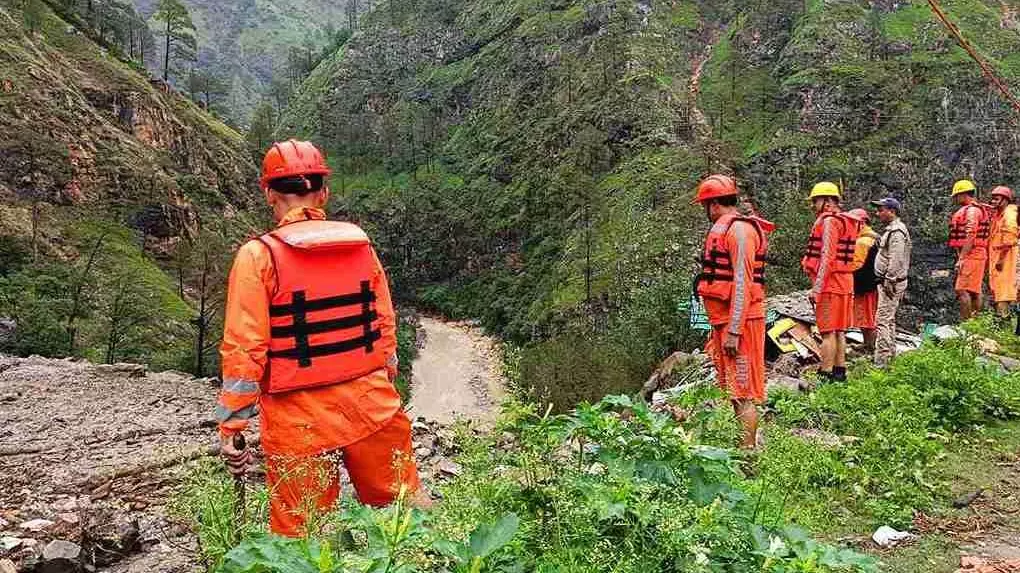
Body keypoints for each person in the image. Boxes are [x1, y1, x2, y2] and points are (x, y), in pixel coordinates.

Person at [216, 140, 422, 537]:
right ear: (323, 192)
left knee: (304, 535)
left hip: (298, 421)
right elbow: (384, 324)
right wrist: (384, 381)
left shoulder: (258, 257)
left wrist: (232, 424)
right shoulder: (361, 247)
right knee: (407, 515)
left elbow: (245, 348)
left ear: (269, 193)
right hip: (372, 405)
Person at [694, 175, 773, 449]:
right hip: (725, 321)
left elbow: (742, 283)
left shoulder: (739, 231)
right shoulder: (730, 229)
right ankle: (741, 450)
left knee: (744, 392)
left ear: (714, 204)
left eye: (705, 206)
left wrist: (735, 330)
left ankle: (748, 456)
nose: (705, 211)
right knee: (734, 392)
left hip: (741, 324)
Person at [802, 182, 859, 382]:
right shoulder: (845, 221)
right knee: (839, 331)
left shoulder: (828, 222)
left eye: (815, 200)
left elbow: (827, 257)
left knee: (827, 332)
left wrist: (816, 289)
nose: (813, 205)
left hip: (830, 284)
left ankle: (825, 374)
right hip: (845, 282)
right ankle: (839, 372)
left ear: (827, 201)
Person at [870, 198, 911, 366]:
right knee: (889, 320)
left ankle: (882, 362)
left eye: (881, 210)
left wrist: (890, 278)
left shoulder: (897, 232)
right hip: (888, 281)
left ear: (892, 211)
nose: (878, 213)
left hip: (891, 283)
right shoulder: (892, 231)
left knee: (882, 321)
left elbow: (897, 258)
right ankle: (891, 357)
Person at [948, 179, 990, 320]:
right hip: (975, 253)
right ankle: (974, 323)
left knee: (962, 289)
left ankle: (967, 324)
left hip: (973, 253)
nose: (955, 199)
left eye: (956, 196)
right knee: (973, 290)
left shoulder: (972, 211)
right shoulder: (972, 209)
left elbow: (971, 234)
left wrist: (962, 258)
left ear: (963, 194)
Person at [847, 208, 879, 352]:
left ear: (862, 222)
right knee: (866, 315)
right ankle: (868, 344)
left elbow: (856, 266)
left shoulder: (862, 242)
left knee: (867, 316)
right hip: (872, 284)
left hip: (865, 286)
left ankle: (870, 347)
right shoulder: (874, 237)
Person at [988, 186, 1018, 319]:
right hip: (999, 255)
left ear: (1005, 200)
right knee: (1001, 290)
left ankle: (1004, 321)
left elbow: (1009, 239)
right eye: (992, 199)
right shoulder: (999, 214)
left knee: (1004, 291)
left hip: (1007, 257)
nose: (993, 201)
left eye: (996, 199)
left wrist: (1001, 260)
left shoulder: (1009, 214)